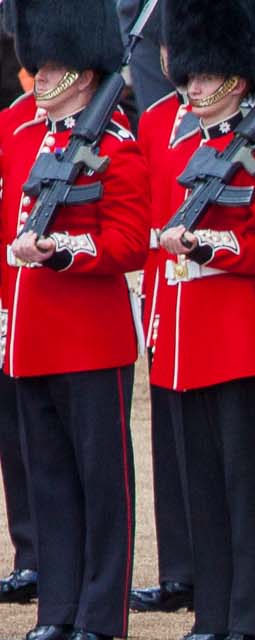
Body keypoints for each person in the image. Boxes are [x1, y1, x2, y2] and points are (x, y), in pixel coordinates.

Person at [141, 0, 255, 640]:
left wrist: (207, 245)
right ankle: (211, 614)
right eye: (190, 77)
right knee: (199, 480)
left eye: (205, 77)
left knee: (241, 482)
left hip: (236, 329)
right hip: (182, 333)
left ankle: (248, 622)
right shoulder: (177, 144)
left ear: (235, 78)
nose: (192, 87)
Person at [0, 0, 147, 640]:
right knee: (49, 481)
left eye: (57, 65)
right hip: (30, 337)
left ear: (85, 75)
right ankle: (55, 610)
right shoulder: (19, 133)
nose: (44, 74)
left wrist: (63, 251)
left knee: (99, 481)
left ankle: (99, 614)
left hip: (91, 337)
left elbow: (127, 243)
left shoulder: (115, 143)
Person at [129, 11, 196, 620]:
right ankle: (179, 568)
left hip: (203, 284)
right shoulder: (154, 120)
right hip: (163, 290)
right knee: (169, 434)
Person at [0, 60, 40, 608]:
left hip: (21, 290)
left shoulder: (19, 123)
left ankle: (39, 555)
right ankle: (30, 551)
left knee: (30, 429)